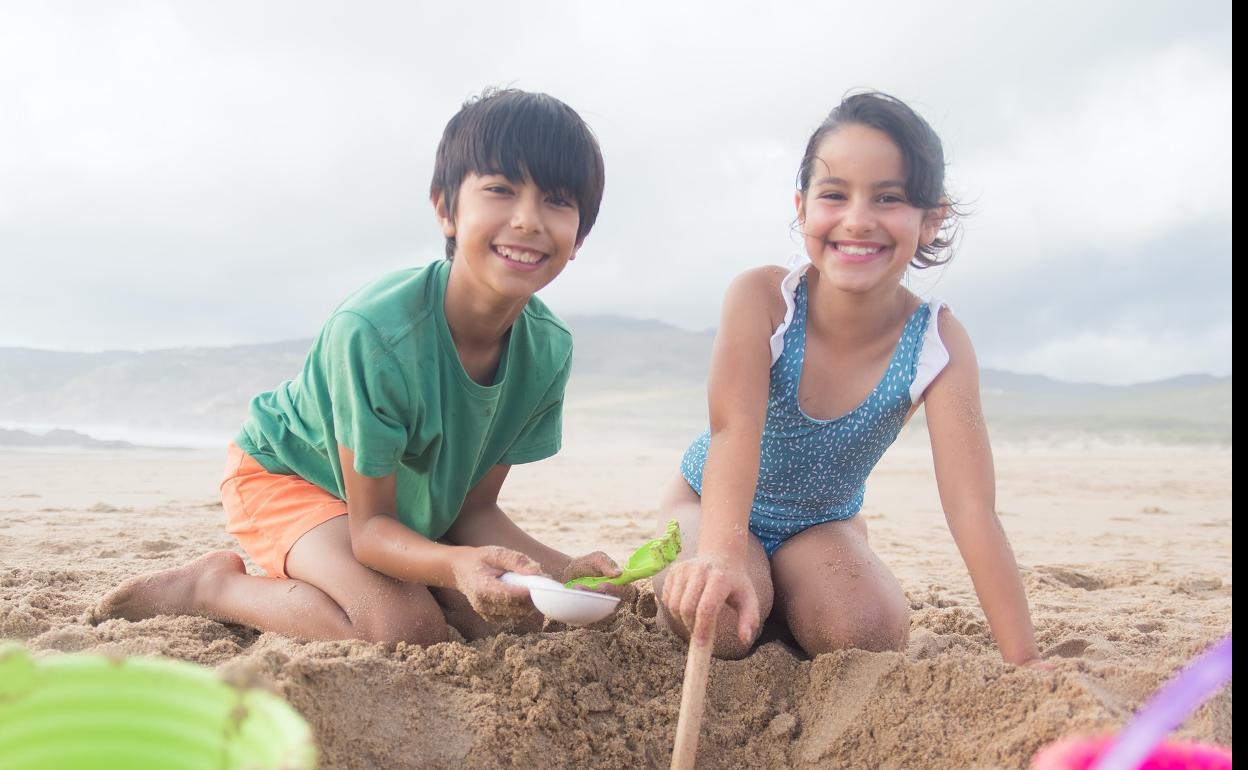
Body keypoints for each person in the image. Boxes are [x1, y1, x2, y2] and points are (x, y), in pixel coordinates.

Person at [96, 88, 620, 644]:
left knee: (491, 619)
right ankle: (211, 588)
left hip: (388, 510)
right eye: (500, 190)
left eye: (557, 202)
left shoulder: (547, 350)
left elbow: (474, 511)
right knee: (403, 626)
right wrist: (456, 566)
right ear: (446, 208)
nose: (527, 220)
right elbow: (371, 532)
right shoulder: (376, 334)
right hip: (288, 476)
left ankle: (335, 579)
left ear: (580, 235)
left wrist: (565, 572)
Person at [654, 91, 1045, 666]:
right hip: (710, 503)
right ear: (803, 207)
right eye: (835, 195)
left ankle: (786, 585)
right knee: (721, 621)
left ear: (932, 219)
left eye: (888, 198)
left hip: (820, 524)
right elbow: (734, 430)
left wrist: (1025, 658)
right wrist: (720, 555)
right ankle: (747, 579)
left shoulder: (938, 344)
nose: (858, 219)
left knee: (869, 631)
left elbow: (971, 509)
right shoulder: (764, 299)